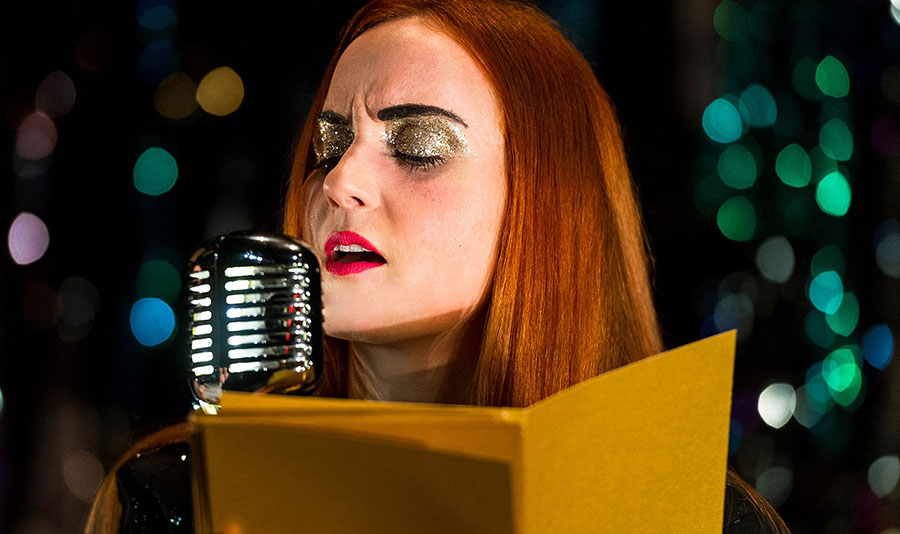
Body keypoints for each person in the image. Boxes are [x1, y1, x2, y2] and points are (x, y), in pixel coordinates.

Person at [86, 1, 791, 532]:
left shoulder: (690, 515)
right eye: (329, 147)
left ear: (549, 202)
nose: (339, 182)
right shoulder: (175, 498)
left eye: (418, 145)